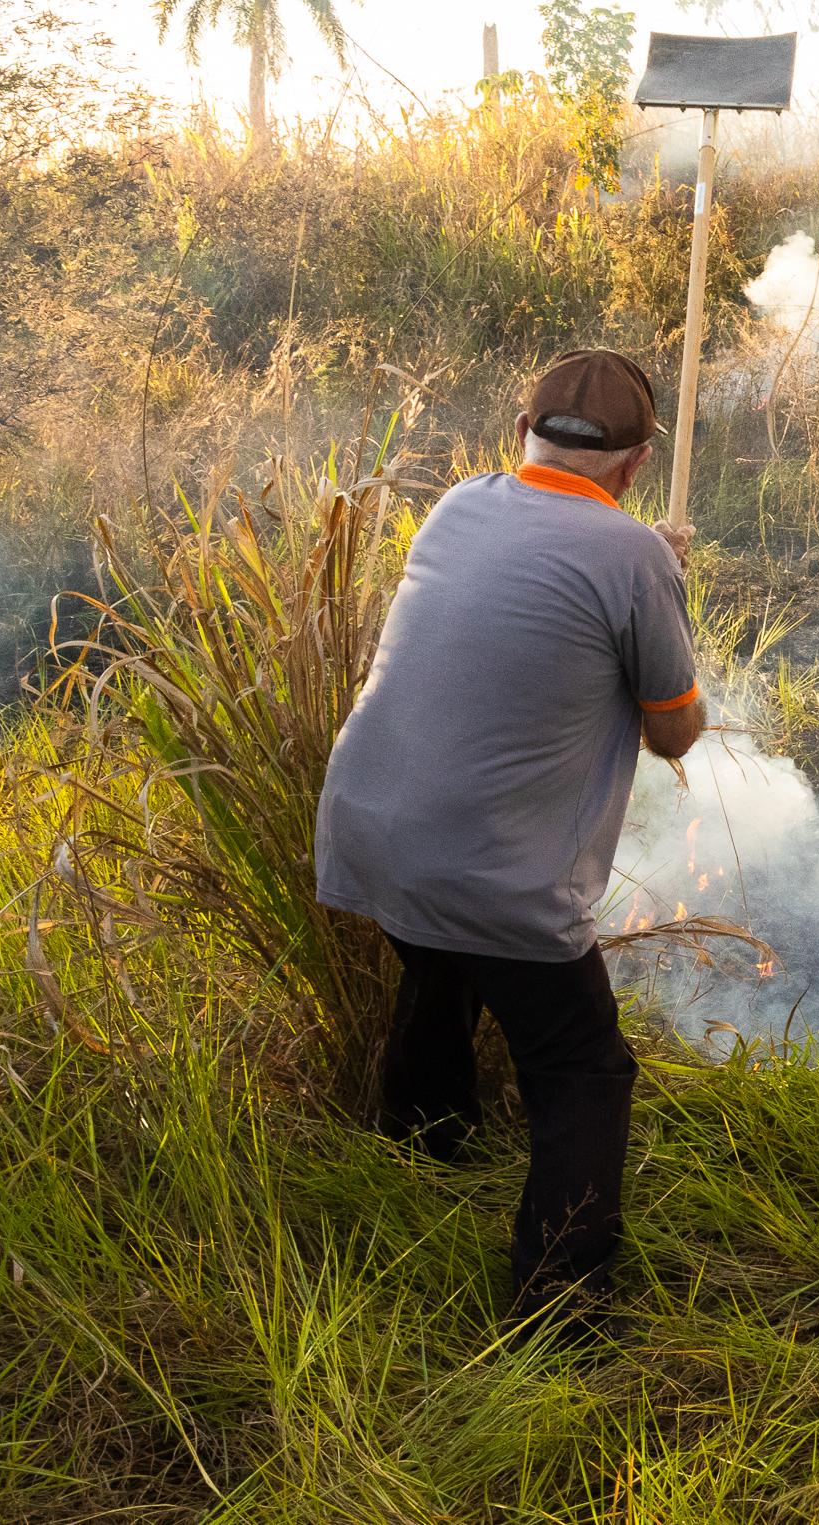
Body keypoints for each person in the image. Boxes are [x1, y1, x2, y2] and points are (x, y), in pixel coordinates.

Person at [316, 346, 704, 1328]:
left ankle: (416, 1150)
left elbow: (554, 561)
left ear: (516, 434)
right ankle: (557, 1307)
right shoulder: (635, 557)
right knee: (582, 1065)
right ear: (638, 459)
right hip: (491, 875)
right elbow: (673, 731)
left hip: (370, 835)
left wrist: (643, 563)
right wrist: (663, 579)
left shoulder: (461, 503)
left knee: (440, 964)